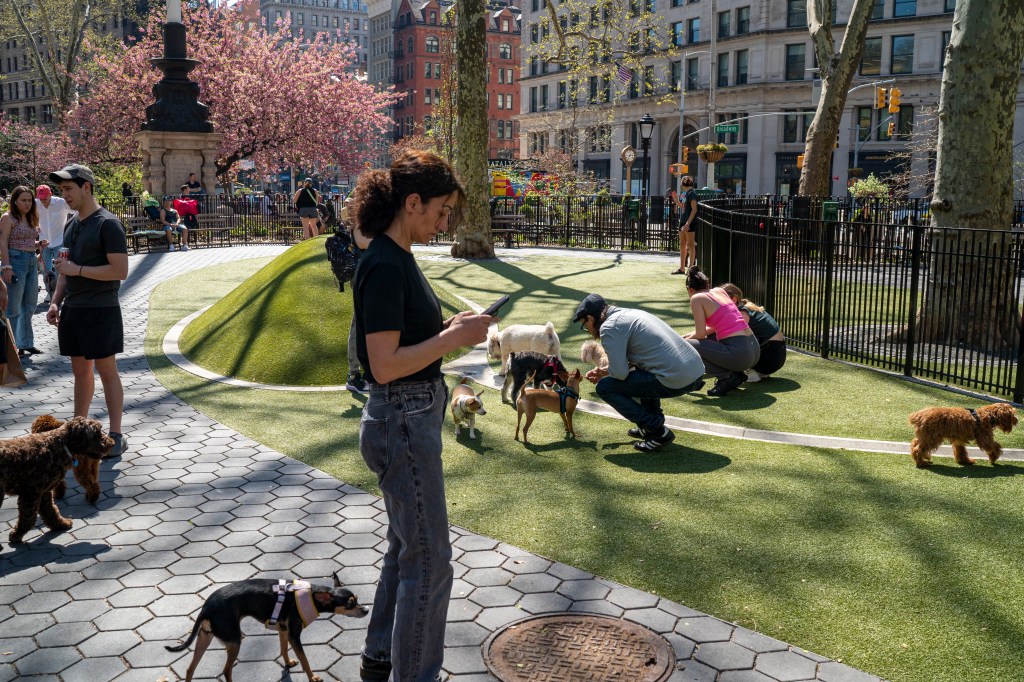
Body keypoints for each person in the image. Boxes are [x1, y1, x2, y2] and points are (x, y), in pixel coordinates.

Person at [351, 149, 493, 682]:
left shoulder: (397, 255)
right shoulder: (385, 262)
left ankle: (380, 656)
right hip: (401, 418)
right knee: (429, 561)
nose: (446, 220)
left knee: (406, 549)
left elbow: (409, 341)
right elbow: (385, 366)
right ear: (412, 203)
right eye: (441, 210)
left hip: (407, 415)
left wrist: (449, 327)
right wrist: (455, 339)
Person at [45, 164, 130, 458]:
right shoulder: (71, 225)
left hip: (101, 310)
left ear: (86, 187)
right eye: (61, 190)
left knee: (107, 372)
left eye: (68, 189)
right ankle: (77, 433)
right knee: (80, 372)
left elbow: (120, 271)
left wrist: (78, 269)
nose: (64, 195)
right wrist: (56, 301)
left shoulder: (108, 224)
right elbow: (64, 272)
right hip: (74, 310)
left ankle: (116, 434)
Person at [574, 293, 706, 452]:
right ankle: (650, 427)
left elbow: (620, 373)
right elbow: (638, 360)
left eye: (584, 324)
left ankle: (657, 430)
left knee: (605, 387)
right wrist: (604, 371)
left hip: (678, 378)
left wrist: (605, 375)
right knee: (642, 370)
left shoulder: (609, 328)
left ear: (590, 318)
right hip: (696, 370)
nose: (587, 330)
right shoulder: (632, 313)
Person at [683, 266, 760, 397]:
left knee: (687, 346)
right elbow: (712, 330)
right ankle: (734, 375)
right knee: (700, 342)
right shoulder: (719, 291)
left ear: (690, 289)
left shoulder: (697, 298)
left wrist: (680, 340)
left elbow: (700, 334)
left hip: (740, 354)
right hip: (754, 350)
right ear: (708, 284)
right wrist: (685, 336)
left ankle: (727, 376)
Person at [0, 186, 46, 356]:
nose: (27, 203)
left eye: (29, 200)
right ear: (15, 201)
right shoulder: (8, 218)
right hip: (15, 262)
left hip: (31, 261)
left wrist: (38, 244)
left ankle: (25, 343)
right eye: (23, 200)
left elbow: (26, 240)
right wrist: (6, 266)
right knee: (13, 307)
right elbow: (3, 242)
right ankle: (10, 346)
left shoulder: (31, 217)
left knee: (30, 304)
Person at [720, 283, 787, 382]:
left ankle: (750, 373)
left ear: (734, 299)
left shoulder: (742, 314)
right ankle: (757, 371)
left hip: (770, 358)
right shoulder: (748, 307)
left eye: (721, 301)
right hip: (776, 356)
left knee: (733, 342)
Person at [341, 196, 370, 393]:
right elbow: (363, 243)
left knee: (366, 324)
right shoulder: (357, 223)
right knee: (358, 324)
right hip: (363, 275)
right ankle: (354, 375)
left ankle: (364, 372)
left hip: (370, 273)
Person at [36, 184, 76, 303]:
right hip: (44, 243)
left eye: (45, 198)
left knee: (60, 269)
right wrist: (34, 225)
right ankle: (49, 292)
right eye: (40, 198)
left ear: (50, 194)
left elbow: (78, 210)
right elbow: (28, 216)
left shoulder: (61, 203)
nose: (43, 201)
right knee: (45, 270)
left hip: (60, 241)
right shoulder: (36, 203)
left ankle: (61, 293)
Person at [672, 176, 698, 275]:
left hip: (689, 222)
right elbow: (684, 207)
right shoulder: (686, 194)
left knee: (690, 244)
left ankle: (690, 269)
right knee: (682, 243)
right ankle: (682, 268)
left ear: (683, 185)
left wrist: (687, 223)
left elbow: (694, 209)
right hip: (683, 221)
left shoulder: (692, 194)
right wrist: (676, 200)